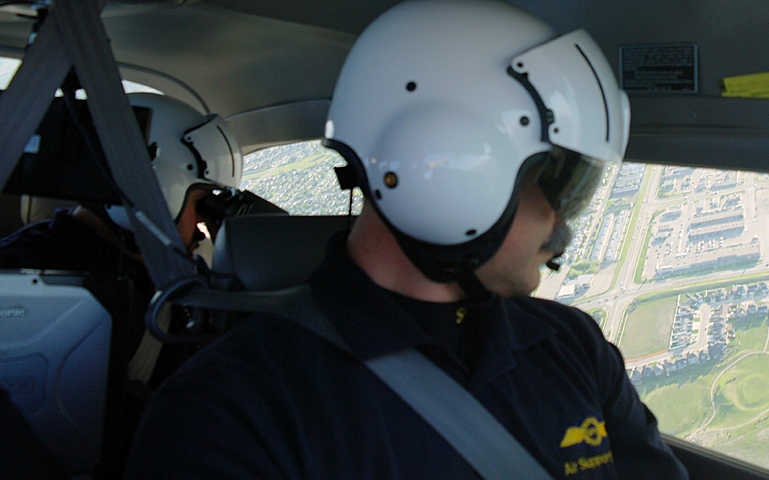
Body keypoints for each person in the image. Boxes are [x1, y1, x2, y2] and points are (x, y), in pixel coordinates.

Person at [124, 0, 689, 478]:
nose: (562, 227)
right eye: (556, 188)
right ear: (448, 176)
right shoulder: (229, 414)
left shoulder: (573, 346)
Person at [0, 92, 243, 477]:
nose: (201, 228)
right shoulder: (18, 268)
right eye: (201, 202)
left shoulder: (189, 286)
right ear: (160, 189)